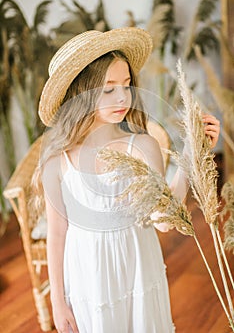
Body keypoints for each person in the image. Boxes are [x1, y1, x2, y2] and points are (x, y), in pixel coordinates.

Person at [36, 27, 220, 333]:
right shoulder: (58, 160)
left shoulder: (142, 146)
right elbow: (57, 234)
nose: (123, 96)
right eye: (108, 89)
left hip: (138, 271)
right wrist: (57, 301)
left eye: (126, 85)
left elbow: (162, 220)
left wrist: (193, 152)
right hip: (88, 278)